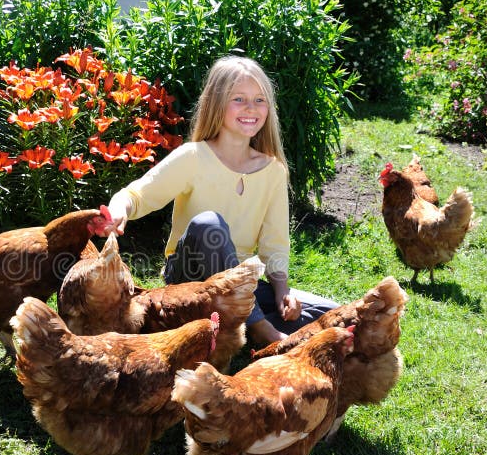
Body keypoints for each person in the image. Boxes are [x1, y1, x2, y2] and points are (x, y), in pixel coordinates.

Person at [102, 55, 338, 346]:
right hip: (189, 280)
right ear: (217, 103)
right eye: (239, 99)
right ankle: (259, 329)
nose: (251, 108)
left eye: (259, 100)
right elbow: (136, 195)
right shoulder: (194, 157)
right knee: (208, 224)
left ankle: (244, 319)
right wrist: (117, 211)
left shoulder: (273, 170)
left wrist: (282, 292)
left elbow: (274, 245)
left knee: (335, 314)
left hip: (240, 283)